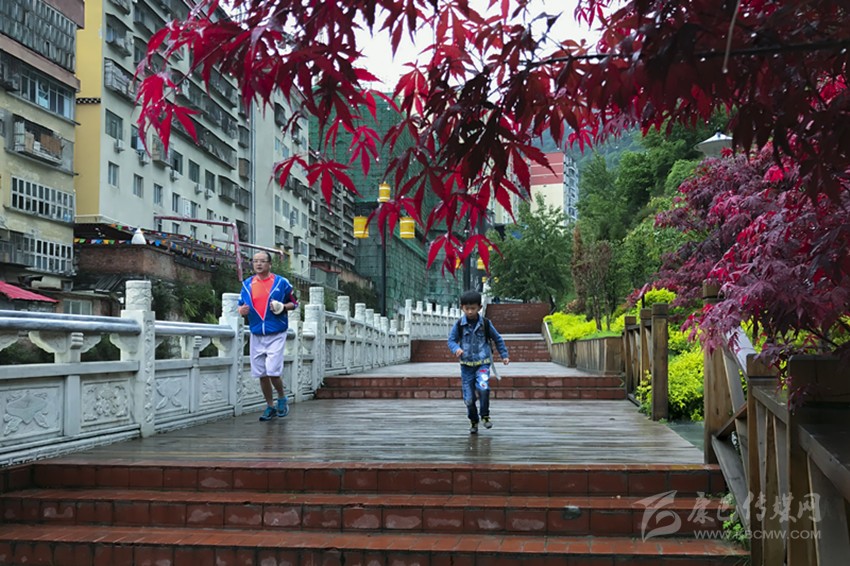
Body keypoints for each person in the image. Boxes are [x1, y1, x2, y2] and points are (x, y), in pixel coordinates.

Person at [237, 251, 298, 421]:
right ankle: (270, 406)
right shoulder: (247, 284)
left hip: (276, 332)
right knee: (261, 373)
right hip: (256, 332)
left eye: (262, 261)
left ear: (269, 264)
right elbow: (240, 305)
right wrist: (241, 310)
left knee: (272, 370)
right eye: (255, 261)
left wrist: (282, 307)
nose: (258, 264)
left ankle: (282, 397)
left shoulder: (281, 283)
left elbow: (295, 303)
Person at [447, 289, 510, 434]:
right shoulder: (459, 325)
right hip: (466, 367)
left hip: (482, 363)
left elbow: (497, 339)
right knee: (469, 399)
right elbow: (451, 340)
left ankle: (485, 415)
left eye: (473, 308)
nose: (470, 311)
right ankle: (473, 420)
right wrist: (456, 349)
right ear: (462, 308)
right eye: (467, 308)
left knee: (483, 387)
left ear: (479, 308)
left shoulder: (485, 324)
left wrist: (504, 355)